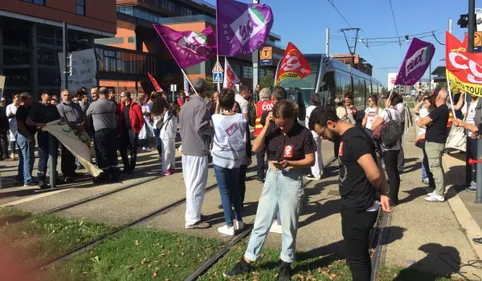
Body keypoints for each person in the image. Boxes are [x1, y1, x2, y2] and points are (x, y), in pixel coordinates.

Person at [225, 100, 316, 281]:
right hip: (272, 178)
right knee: (261, 221)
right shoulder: (272, 130)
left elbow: (311, 159)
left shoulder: (303, 133)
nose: (282, 128)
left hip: (292, 180)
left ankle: (285, 263)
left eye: (285, 124)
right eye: (279, 123)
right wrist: (266, 126)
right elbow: (255, 148)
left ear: (293, 117)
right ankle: (247, 260)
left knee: (288, 225)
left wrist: (291, 163)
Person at [308, 106, 391, 281]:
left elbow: (374, 172)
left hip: (358, 206)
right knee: (359, 255)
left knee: (356, 259)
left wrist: (378, 190)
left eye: (322, 133)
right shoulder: (346, 137)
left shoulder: (354, 139)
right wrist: (383, 192)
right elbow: (377, 162)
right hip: (355, 204)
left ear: (330, 123)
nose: (323, 138)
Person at [211, 88, 248, 235]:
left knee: (225, 192)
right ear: (234, 101)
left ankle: (228, 224)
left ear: (220, 101)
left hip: (221, 158)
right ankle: (239, 220)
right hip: (236, 158)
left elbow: (215, 117)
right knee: (236, 190)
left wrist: (218, 104)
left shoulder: (216, 118)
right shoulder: (241, 118)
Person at [179, 78, 212, 229]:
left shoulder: (186, 105)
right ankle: (192, 219)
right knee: (196, 184)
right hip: (197, 149)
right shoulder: (201, 105)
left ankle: (194, 213)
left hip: (187, 148)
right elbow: (201, 127)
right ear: (204, 91)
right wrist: (214, 131)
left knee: (191, 184)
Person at [416, 88, 450, 202]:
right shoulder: (443, 109)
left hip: (434, 142)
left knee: (435, 168)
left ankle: (440, 193)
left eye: (435, 96)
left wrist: (420, 120)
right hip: (436, 141)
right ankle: (438, 190)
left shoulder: (439, 110)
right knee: (436, 167)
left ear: (439, 97)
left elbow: (423, 122)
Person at [371, 92, 403, 206]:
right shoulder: (398, 113)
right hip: (396, 145)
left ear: (389, 100)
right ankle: (394, 197)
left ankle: (392, 199)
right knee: (394, 172)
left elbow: (373, 126)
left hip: (387, 146)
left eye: (385, 98)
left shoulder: (385, 112)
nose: (384, 100)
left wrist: (377, 116)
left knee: (391, 173)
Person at [27, 91, 61, 189]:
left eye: (50, 100)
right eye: (47, 100)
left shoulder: (53, 107)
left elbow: (59, 118)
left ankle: (53, 176)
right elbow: (28, 121)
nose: (48, 102)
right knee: (43, 157)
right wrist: (38, 124)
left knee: (54, 156)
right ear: (42, 97)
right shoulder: (37, 108)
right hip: (43, 135)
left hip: (54, 135)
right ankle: (41, 178)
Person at [86, 87, 120, 183]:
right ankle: (114, 173)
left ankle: (104, 174)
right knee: (112, 152)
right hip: (112, 131)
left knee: (102, 152)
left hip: (100, 132)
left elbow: (87, 114)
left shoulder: (94, 105)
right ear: (107, 93)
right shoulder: (112, 104)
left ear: (98, 94)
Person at [56, 90, 85, 183]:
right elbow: (63, 120)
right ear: (61, 97)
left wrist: (82, 124)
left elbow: (82, 115)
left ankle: (72, 171)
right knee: (66, 154)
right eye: (64, 95)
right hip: (67, 132)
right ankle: (66, 173)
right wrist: (75, 126)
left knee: (74, 153)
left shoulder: (76, 105)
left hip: (78, 131)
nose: (67, 97)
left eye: (68, 95)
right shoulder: (60, 107)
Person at [453, 90, 479, 191]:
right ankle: (468, 181)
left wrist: (475, 132)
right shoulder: (468, 103)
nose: (473, 93)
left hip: (475, 136)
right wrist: (462, 95)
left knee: (476, 160)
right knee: (469, 160)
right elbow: (458, 108)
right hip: (467, 135)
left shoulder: (479, 104)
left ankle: (477, 182)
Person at [118, 91, 144, 173]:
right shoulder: (120, 106)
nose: (120, 98)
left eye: (122, 96)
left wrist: (137, 130)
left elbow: (141, 119)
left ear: (126, 97)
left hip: (132, 130)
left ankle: (131, 167)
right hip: (123, 130)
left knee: (133, 148)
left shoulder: (135, 106)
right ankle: (126, 166)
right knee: (122, 149)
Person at [414, 93, 435, 186]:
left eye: (426, 103)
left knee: (428, 158)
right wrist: (423, 100)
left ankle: (429, 177)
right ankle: (425, 176)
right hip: (423, 137)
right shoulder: (423, 111)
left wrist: (421, 123)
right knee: (426, 157)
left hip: (429, 136)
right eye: (424, 103)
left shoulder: (434, 112)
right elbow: (415, 109)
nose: (425, 105)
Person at [15, 93, 36, 186]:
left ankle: (21, 176)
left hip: (24, 135)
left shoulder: (26, 109)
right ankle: (27, 180)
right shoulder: (21, 110)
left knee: (24, 158)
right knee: (28, 158)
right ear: (24, 100)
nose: (31, 100)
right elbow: (20, 124)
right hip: (24, 135)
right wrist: (28, 135)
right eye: (30, 98)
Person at [252, 87, 273, 182]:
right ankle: (270, 172)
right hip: (272, 133)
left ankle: (260, 175)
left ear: (260, 96)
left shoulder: (257, 105)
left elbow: (252, 120)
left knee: (259, 156)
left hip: (259, 134)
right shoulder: (274, 104)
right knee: (270, 155)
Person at [305, 93, 323, 180]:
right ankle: (320, 170)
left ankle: (316, 174)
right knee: (318, 152)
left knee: (314, 153)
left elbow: (306, 122)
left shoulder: (308, 109)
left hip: (311, 133)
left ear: (311, 100)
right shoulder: (320, 109)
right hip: (319, 133)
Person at [160, 103, 178, 176]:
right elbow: (170, 111)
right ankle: (165, 169)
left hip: (172, 135)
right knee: (166, 152)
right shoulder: (168, 113)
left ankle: (172, 167)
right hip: (166, 135)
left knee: (172, 152)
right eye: (174, 107)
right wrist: (171, 109)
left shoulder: (175, 115)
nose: (175, 108)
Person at [6, 94, 20, 160]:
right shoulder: (9, 106)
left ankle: (20, 153)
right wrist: (16, 112)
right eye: (17, 100)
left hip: (20, 124)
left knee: (20, 138)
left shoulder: (21, 106)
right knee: (13, 138)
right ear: (13, 99)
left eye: (19, 100)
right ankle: (13, 154)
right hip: (12, 124)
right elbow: (8, 114)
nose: (18, 102)